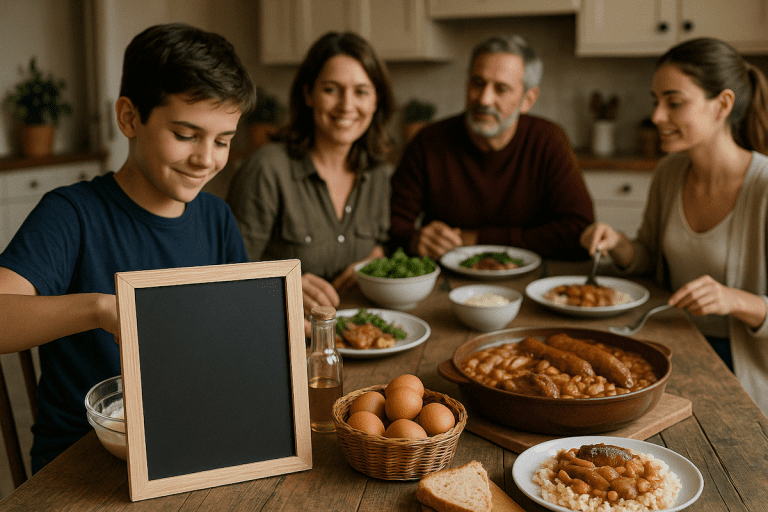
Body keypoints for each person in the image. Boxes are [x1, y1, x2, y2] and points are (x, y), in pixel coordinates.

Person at [0, 23, 257, 472]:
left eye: (223, 140)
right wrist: (99, 308)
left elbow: (237, 339)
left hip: (188, 441)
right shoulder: (71, 214)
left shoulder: (216, 218)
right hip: (83, 461)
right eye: (185, 134)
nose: (206, 159)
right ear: (129, 118)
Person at [580, 37, 768, 414]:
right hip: (667, 344)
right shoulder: (670, 171)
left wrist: (735, 300)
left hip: (739, 370)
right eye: (656, 102)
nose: (657, 116)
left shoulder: (764, 187)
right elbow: (648, 258)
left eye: (674, 102)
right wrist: (617, 242)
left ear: (723, 105)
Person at [227, 32, 395, 336]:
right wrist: (279, 287)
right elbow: (227, 272)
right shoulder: (267, 168)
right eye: (331, 89)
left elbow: (383, 246)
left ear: (376, 101)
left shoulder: (380, 173)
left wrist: (374, 259)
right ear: (308, 94)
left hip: (360, 335)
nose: (347, 105)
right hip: (279, 339)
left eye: (361, 91)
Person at [389, 35, 594, 261]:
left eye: (501, 89)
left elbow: (580, 232)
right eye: (478, 83)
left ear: (528, 99)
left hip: (534, 280)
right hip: (446, 280)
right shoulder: (427, 142)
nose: (485, 99)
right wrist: (415, 240)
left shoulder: (549, 140)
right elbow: (389, 225)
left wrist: (476, 240)